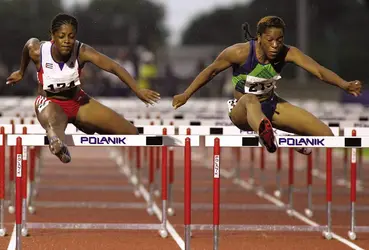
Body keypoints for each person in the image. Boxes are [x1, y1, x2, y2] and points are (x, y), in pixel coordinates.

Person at [172, 16, 362, 153]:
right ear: (259, 37)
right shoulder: (238, 53)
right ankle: (266, 133)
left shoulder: (288, 53)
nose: (275, 45)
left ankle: (276, 134)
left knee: (326, 136)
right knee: (250, 100)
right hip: (243, 111)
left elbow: (319, 71)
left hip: (272, 105)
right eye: (270, 40)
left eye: (279, 40)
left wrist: (344, 84)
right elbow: (210, 71)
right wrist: (186, 94)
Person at [6, 13, 160, 163]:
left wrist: (137, 90)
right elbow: (28, 45)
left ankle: (86, 127)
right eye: (62, 36)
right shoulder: (38, 50)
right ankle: (57, 144)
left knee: (132, 133)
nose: (67, 41)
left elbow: (113, 67)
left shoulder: (82, 51)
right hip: (49, 102)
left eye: (71, 36)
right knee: (55, 126)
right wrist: (21, 72)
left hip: (78, 102)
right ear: (52, 36)